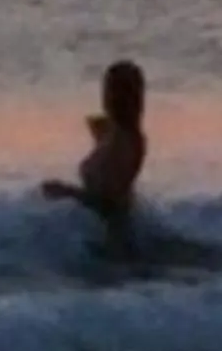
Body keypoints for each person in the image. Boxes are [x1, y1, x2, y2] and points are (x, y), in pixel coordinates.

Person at [43, 60, 148, 260]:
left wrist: (68, 192)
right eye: (108, 89)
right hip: (104, 234)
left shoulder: (127, 141)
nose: (110, 96)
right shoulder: (113, 133)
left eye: (118, 91)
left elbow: (109, 202)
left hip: (115, 238)